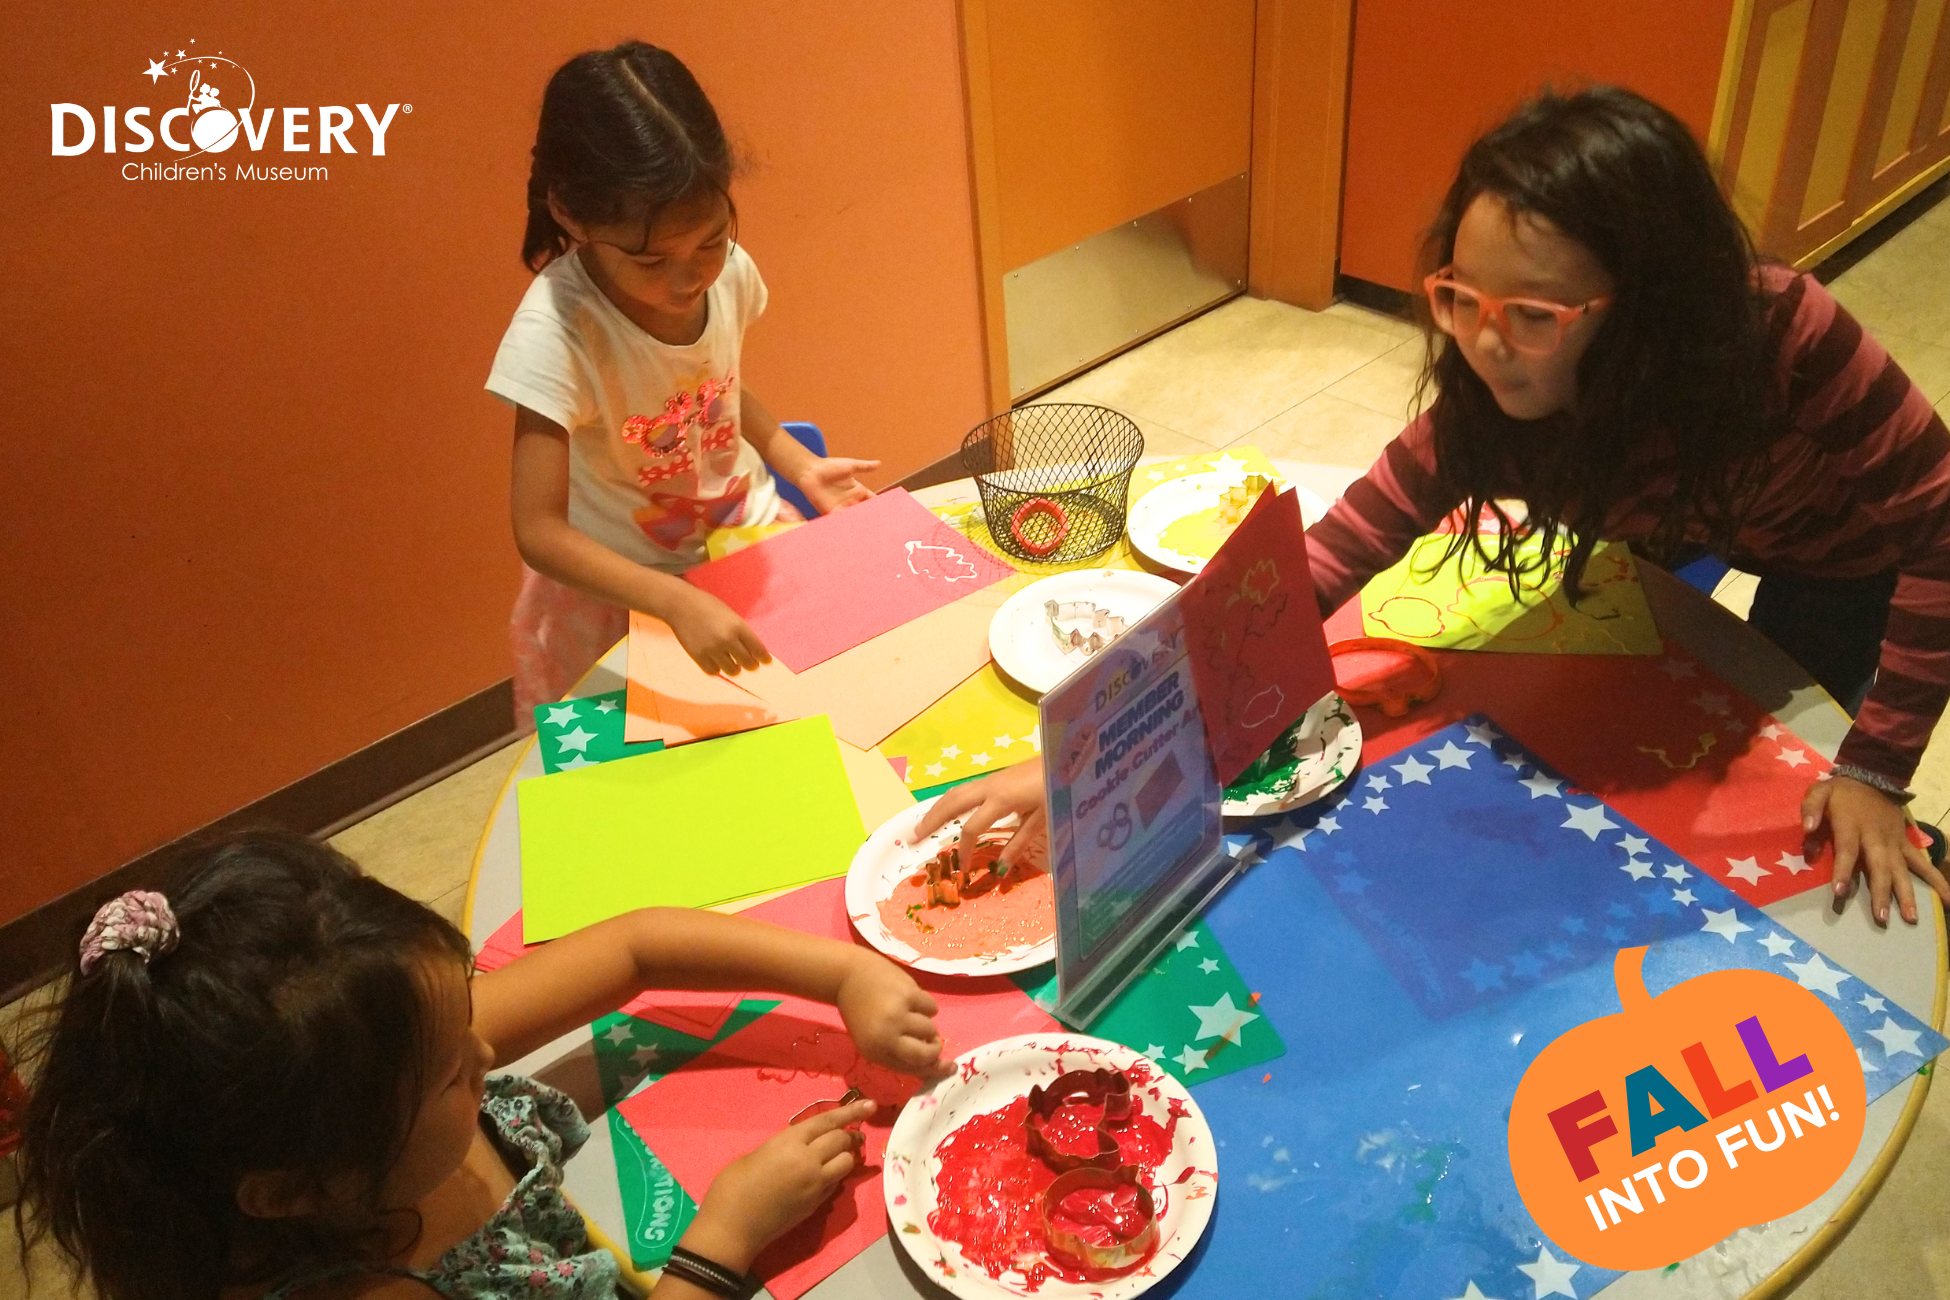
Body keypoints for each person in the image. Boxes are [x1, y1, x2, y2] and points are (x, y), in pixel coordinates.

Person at [1302, 85, 1950, 927]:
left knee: (1793, 788)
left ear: (1653, 314)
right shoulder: (1493, 397)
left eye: (1531, 315)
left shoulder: (1786, 330)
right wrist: (1212, 661)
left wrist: (1873, 772)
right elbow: (1346, 540)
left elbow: (1939, 536)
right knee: (1644, 719)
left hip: (1838, 557)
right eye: (1460, 296)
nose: (1484, 344)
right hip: (1671, 514)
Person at [13, 834, 948, 1300]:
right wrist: (722, 1244)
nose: (489, 1050)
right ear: (292, 1190)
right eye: (455, 1074)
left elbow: (634, 947)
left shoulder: (382, 1057)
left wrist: (844, 972)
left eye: (466, 1016)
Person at [488, 42, 879, 721]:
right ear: (573, 217)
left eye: (708, 240)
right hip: (627, 590)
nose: (689, 277)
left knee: (824, 726)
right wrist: (672, 598)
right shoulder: (557, 333)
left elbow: (715, 390)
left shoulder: (728, 272)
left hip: (742, 542)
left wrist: (797, 463)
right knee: (654, 786)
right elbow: (538, 530)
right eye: (648, 259)